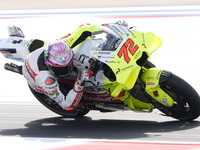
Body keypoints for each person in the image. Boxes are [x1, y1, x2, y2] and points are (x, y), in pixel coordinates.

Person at [6, 21, 128, 111]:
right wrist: (79, 82)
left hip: (45, 54)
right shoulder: (45, 79)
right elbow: (66, 104)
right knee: (77, 105)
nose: (66, 69)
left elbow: (85, 29)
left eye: (67, 64)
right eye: (62, 67)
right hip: (38, 80)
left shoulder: (63, 46)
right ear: (50, 65)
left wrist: (111, 28)